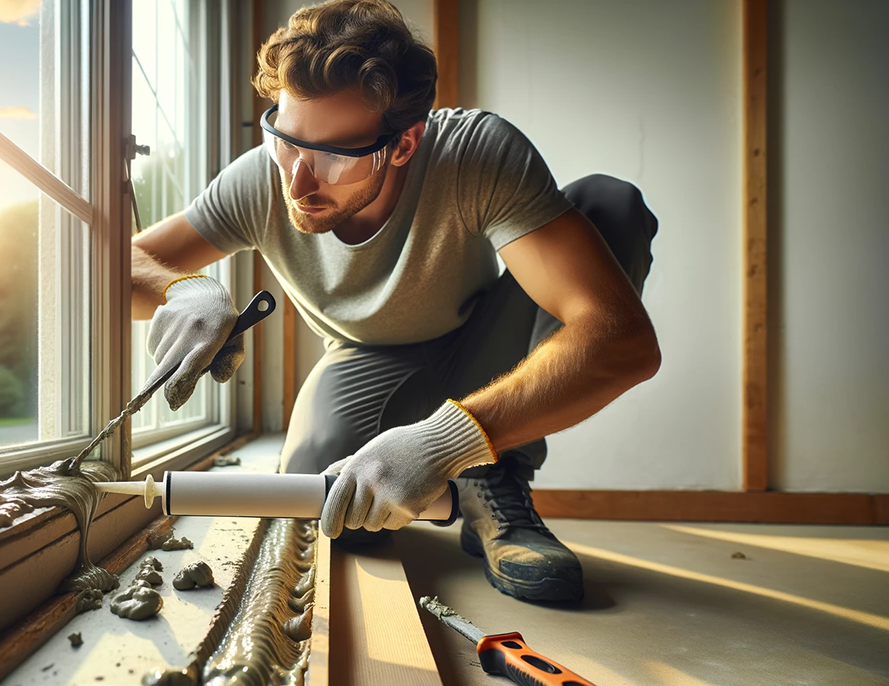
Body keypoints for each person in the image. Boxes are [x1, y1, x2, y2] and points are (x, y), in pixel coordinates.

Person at [130, 0, 659, 602]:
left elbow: (621, 339)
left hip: (485, 341)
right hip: (364, 361)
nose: (298, 184)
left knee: (608, 205)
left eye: (334, 156)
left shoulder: (475, 156)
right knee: (321, 508)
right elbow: (126, 264)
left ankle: (496, 480)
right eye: (285, 139)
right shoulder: (263, 178)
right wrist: (184, 288)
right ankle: (449, 480)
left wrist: (445, 443)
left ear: (403, 144)